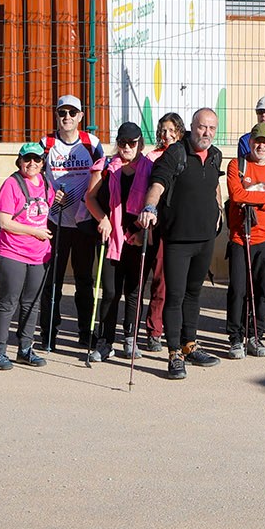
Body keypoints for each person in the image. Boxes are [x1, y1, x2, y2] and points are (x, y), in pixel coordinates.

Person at [137, 107, 225, 379]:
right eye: (202, 127)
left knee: (193, 294)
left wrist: (218, 210)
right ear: (192, 126)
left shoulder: (215, 155)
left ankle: (190, 345)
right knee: (174, 297)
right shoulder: (176, 152)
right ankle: (174, 354)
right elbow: (158, 184)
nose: (207, 133)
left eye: (212, 128)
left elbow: (214, 185)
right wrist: (149, 208)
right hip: (177, 239)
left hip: (204, 239)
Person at [38, 94, 104, 355]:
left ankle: (85, 332)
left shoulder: (91, 143)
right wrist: (49, 197)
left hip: (84, 222)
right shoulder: (46, 144)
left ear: (80, 117)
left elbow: (104, 176)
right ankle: (49, 332)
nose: (67, 118)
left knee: (84, 280)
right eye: (62, 113)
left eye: (72, 113)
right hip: (54, 221)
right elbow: (32, 176)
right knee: (51, 279)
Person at [224, 122, 265, 358]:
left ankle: (255, 335)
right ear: (250, 141)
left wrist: (256, 199)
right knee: (238, 290)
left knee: (262, 291)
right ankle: (235, 338)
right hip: (240, 238)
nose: (260, 146)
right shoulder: (237, 165)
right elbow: (236, 195)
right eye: (257, 141)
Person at [85, 122, 151, 362]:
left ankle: (130, 338)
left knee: (134, 291)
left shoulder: (149, 168)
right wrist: (102, 219)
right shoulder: (104, 167)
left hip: (136, 236)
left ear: (139, 143)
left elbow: (154, 203)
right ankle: (105, 341)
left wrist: (144, 231)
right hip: (110, 236)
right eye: (122, 143)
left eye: (131, 143)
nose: (126, 147)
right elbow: (89, 198)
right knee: (111, 291)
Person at [0, 143, 55, 370]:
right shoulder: (11, 184)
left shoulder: (46, 183)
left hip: (39, 255)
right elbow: (4, 222)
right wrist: (35, 232)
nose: (32, 164)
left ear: (42, 162)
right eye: (27, 159)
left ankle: (25, 349)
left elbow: (47, 208)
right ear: (19, 161)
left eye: (36, 159)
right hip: (12, 252)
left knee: (32, 303)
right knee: (8, 302)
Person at [136, 112, 184, 353]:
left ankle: (169, 329)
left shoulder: (186, 155)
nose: (167, 135)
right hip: (155, 224)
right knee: (154, 280)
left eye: (171, 130)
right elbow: (146, 190)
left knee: (170, 283)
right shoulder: (152, 157)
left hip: (180, 225)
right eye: (163, 130)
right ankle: (151, 331)